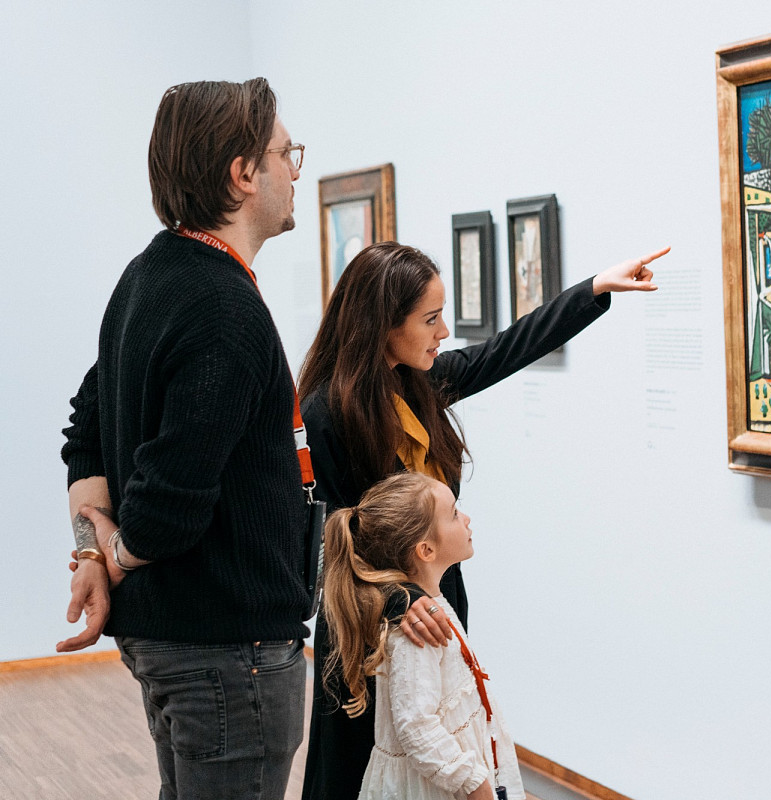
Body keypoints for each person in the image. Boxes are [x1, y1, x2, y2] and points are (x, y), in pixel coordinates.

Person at [299, 241, 668, 799]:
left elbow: (506, 349)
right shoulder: (329, 410)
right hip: (369, 628)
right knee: (360, 771)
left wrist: (593, 289)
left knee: (442, 753)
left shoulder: (417, 382)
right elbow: (343, 540)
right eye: (430, 319)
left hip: (436, 606)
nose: (443, 331)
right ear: (382, 325)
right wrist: (401, 601)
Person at [59, 78, 310, 800]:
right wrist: (117, 551)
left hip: (186, 646)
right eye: (286, 153)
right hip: (228, 655)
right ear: (242, 172)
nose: (296, 169)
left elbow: (86, 429)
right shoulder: (223, 309)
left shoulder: (148, 276)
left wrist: (91, 549)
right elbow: (169, 505)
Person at [323, 472, 522, 800]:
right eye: (455, 514)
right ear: (426, 549)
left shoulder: (432, 605)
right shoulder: (417, 632)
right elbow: (416, 727)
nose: (467, 519)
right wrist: (472, 783)